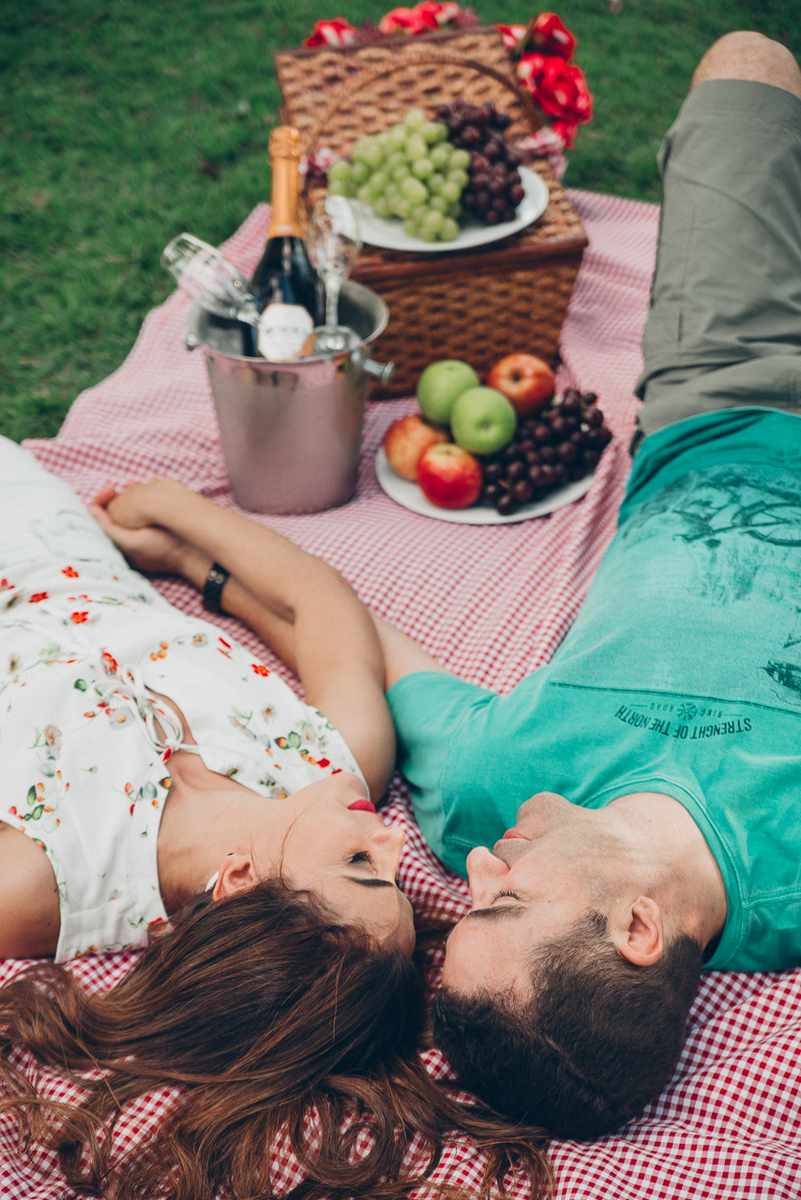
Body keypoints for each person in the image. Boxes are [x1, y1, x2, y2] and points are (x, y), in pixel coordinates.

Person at [375, 31, 801, 1141]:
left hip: (725, 389)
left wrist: (204, 556)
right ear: (639, 930)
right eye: (503, 902)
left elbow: (363, 641)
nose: (471, 867)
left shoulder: (495, 790)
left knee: (745, 70)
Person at [0, 439, 552, 1200]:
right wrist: (178, 521)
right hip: (56, 541)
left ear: (238, 881)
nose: (393, 836)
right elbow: (317, 601)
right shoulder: (338, 761)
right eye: (392, 874)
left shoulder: (48, 886)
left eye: (362, 866)